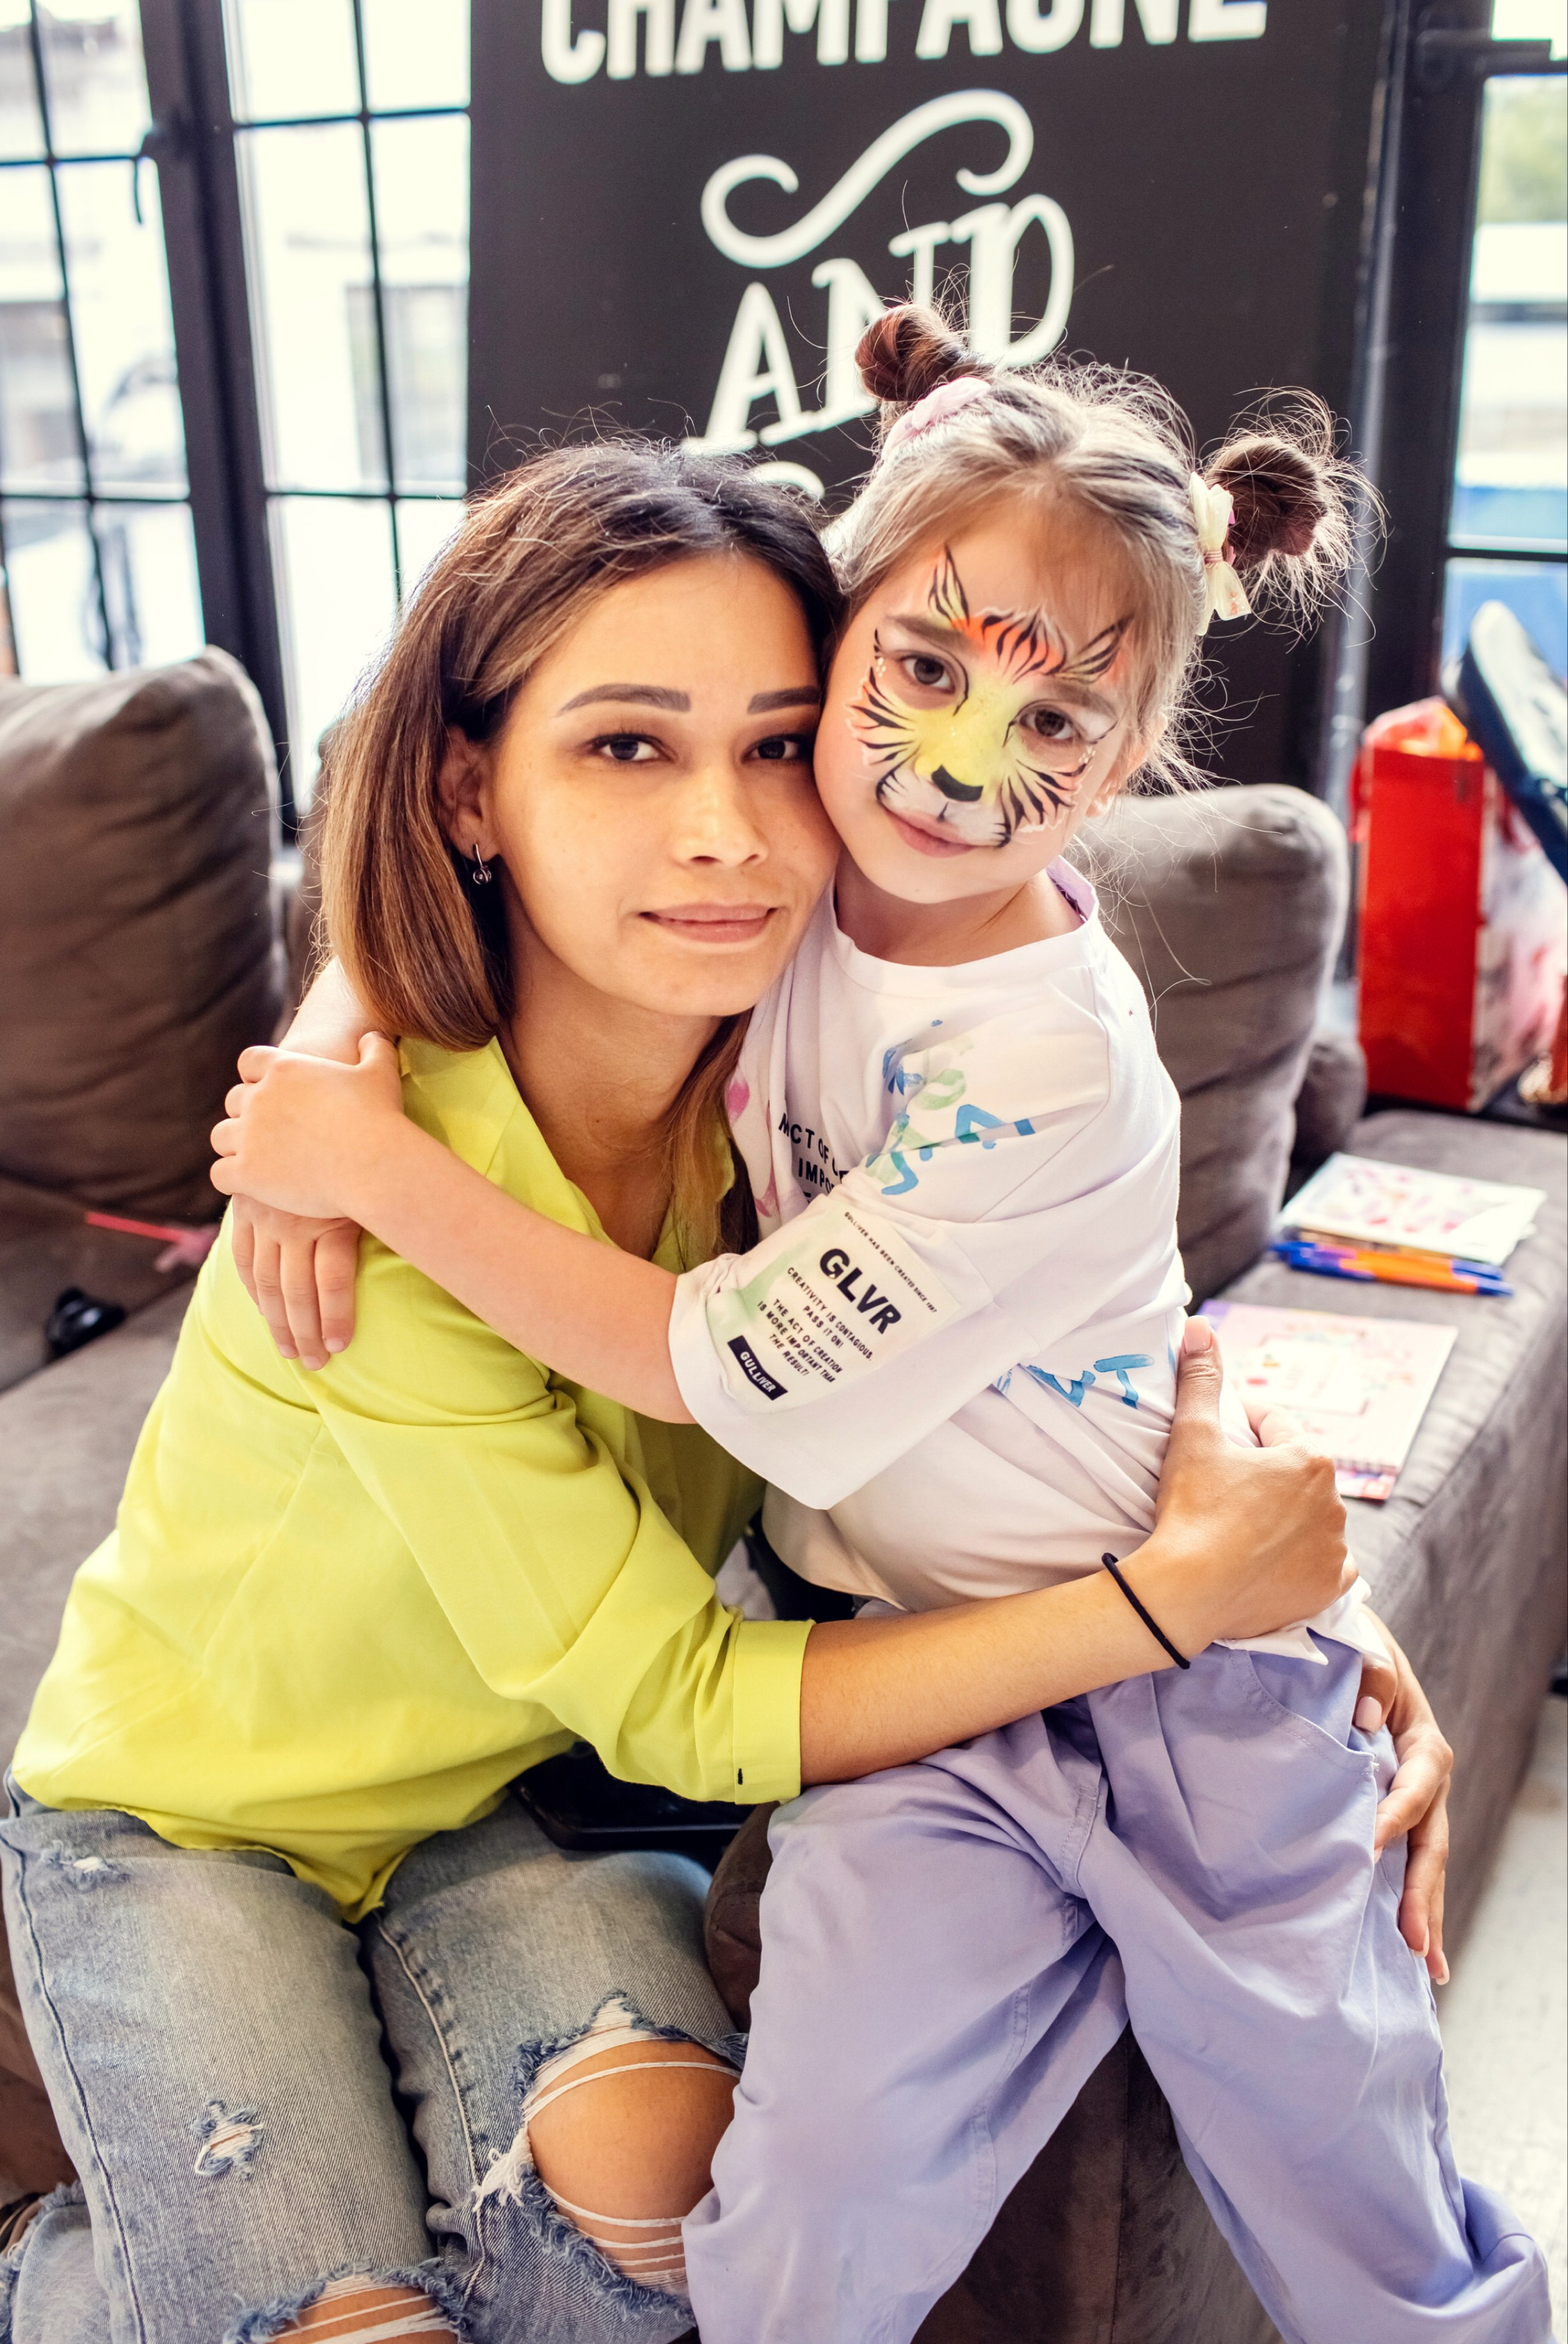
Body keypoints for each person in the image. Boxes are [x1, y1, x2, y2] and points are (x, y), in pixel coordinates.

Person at [209, 315, 1545, 2344]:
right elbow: (478, 829)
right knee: (802, 2224)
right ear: (834, 641)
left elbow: (706, 1359)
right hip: (910, 1700)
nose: (959, 766)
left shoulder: (1050, 1061)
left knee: (1348, 2178)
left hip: (1193, 1705)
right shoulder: (789, 880)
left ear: (1127, 759)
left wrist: (381, 1176)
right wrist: (336, 1027)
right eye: (920, 668)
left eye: (1058, 724)